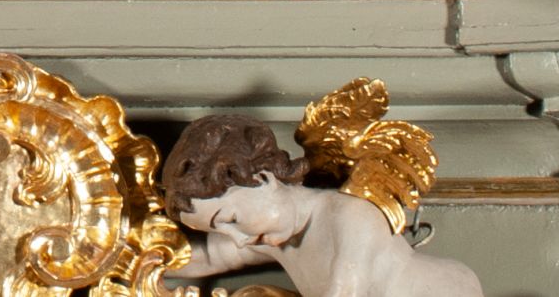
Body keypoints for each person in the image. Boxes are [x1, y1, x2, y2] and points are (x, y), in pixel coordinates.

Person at [162, 115, 481, 297]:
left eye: (230, 219)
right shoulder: (276, 238)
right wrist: (143, 257)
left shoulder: (350, 216)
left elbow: (345, 291)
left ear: (261, 179)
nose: (238, 239)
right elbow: (211, 257)